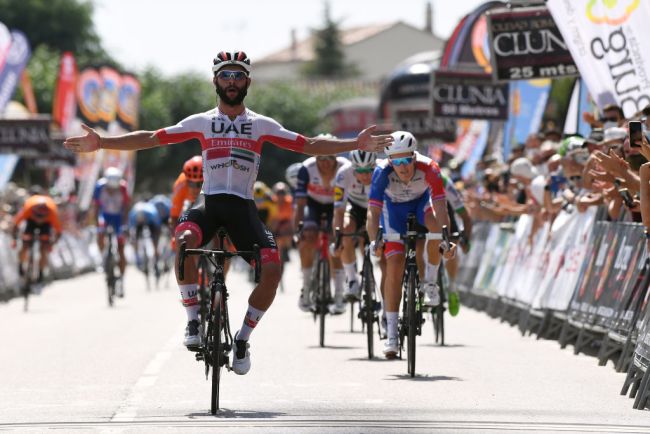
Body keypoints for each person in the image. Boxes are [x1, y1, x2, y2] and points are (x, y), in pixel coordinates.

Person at [64, 50, 392, 375]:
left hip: (243, 209)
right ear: (215, 80)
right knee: (185, 240)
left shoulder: (261, 125)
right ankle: (193, 320)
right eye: (225, 75)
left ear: (247, 81)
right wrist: (103, 143)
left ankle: (243, 339)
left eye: (237, 76)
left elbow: (308, 144)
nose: (231, 81)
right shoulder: (202, 122)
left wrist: (355, 145)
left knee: (273, 270)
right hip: (210, 203)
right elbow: (151, 138)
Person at [366, 131, 455, 359]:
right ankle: (392, 335)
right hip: (392, 211)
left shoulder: (430, 168)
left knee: (435, 227)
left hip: (421, 205)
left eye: (407, 160)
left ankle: (431, 283)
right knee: (394, 263)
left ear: (415, 157)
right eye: (397, 162)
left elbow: (441, 206)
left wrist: (446, 238)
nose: (403, 167)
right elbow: (373, 212)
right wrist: (374, 240)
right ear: (390, 161)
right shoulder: (381, 171)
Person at [294, 147, 350, 314]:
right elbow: (301, 204)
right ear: (316, 159)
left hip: (336, 206)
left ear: (336, 159)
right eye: (321, 159)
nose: (325, 163)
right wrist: (298, 230)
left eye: (329, 159)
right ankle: (305, 287)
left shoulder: (344, 168)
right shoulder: (306, 168)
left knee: (336, 243)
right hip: (313, 205)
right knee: (308, 236)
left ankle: (339, 294)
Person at [332, 150, 376, 301]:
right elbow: (338, 210)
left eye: (369, 170)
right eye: (360, 171)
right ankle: (352, 280)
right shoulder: (343, 174)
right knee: (345, 231)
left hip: (376, 207)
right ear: (353, 168)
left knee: (370, 238)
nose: (365, 175)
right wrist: (338, 238)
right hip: (355, 206)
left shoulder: (382, 171)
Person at [12, 193, 62, 284]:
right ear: (33, 212)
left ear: (47, 215)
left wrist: (52, 244)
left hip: (46, 225)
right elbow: (15, 225)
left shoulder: (52, 214)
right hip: (31, 222)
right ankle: (20, 264)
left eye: (41, 217)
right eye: (37, 216)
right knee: (25, 244)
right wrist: (14, 239)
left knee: (44, 248)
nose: (39, 220)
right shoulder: (27, 209)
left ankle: (41, 272)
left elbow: (59, 232)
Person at [93, 167, 130, 290]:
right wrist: (96, 222)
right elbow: (96, 206)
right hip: (105, 215)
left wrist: (125, 224)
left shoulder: (124, 188)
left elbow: (126, 206)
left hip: (118, 217)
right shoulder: (99, 186)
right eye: (110, 189)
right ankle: (103, 256)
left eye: (115, 189)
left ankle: (122, 278)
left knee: (121, 247)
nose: (112, 191)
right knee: (100, 231)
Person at [128, 200, 162, 276]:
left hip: (151, 222)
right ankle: (137, 257)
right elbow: (130, 229)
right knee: (134, 239)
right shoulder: (133, 215)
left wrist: (156, 240)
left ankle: (156, 258)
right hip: (138, 221)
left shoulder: (152, 213)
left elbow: (157, 227)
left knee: (155, 240)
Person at [170, 156, 203, 231]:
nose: (195, 189)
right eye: (191, 184)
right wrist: (175, 238)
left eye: (200, 184)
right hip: (189, 203)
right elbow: (174, 217)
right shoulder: (181, 183)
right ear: (186, 181)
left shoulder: (215, 182)